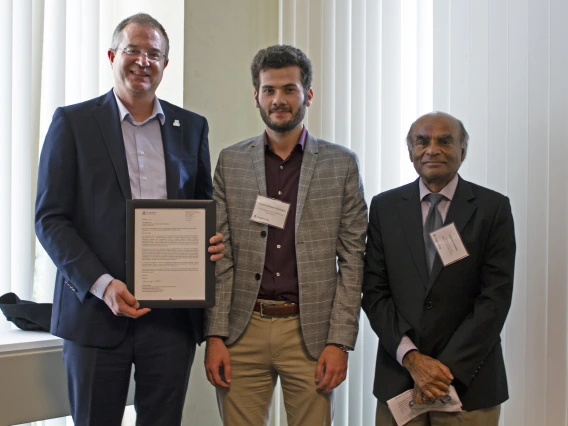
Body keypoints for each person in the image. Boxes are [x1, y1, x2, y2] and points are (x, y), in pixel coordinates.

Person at [35, 13, 223, 426]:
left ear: (165, 65)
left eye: (153, 53)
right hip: (95, 315)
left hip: (171, 321)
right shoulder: (73, 123)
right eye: (132, 50)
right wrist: (100, 284)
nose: (143, 61)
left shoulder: (191, 128)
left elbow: (201, 208)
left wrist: (210, 241)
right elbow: (49, 219)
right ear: (111, 55)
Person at [203, 45, 367, 426]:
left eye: (289, 89)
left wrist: (339, 341)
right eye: (269, 90)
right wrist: (215, 335)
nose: (279, 100)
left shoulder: (341, 164)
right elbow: (220, 257)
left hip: (310, 333)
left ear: (307, 95)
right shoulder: (231, 161)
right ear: (256, 97)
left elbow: (353, 260)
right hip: (243, 330)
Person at [362, 111, 516, 425]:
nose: (432, 149)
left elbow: (495, 298)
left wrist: (441, 371)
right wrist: (413, 359)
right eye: (422, 141)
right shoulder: (384, 207)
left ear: (463, 150)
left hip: (470, 384)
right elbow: (374, 292)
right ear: (410, 152)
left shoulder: (493, 208)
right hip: (400, 379)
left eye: (445, 141)